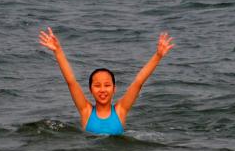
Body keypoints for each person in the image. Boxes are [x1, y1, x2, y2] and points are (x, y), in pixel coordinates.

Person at [38, 28, 174, 135]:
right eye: (97, 86)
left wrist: (158, 56)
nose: (102, 90)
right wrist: (58, 51)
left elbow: (138, 82)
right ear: (90, 90)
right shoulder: (85, 111)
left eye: (107, 85)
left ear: (114, 89)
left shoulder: (121, 110)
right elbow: (71, 81)